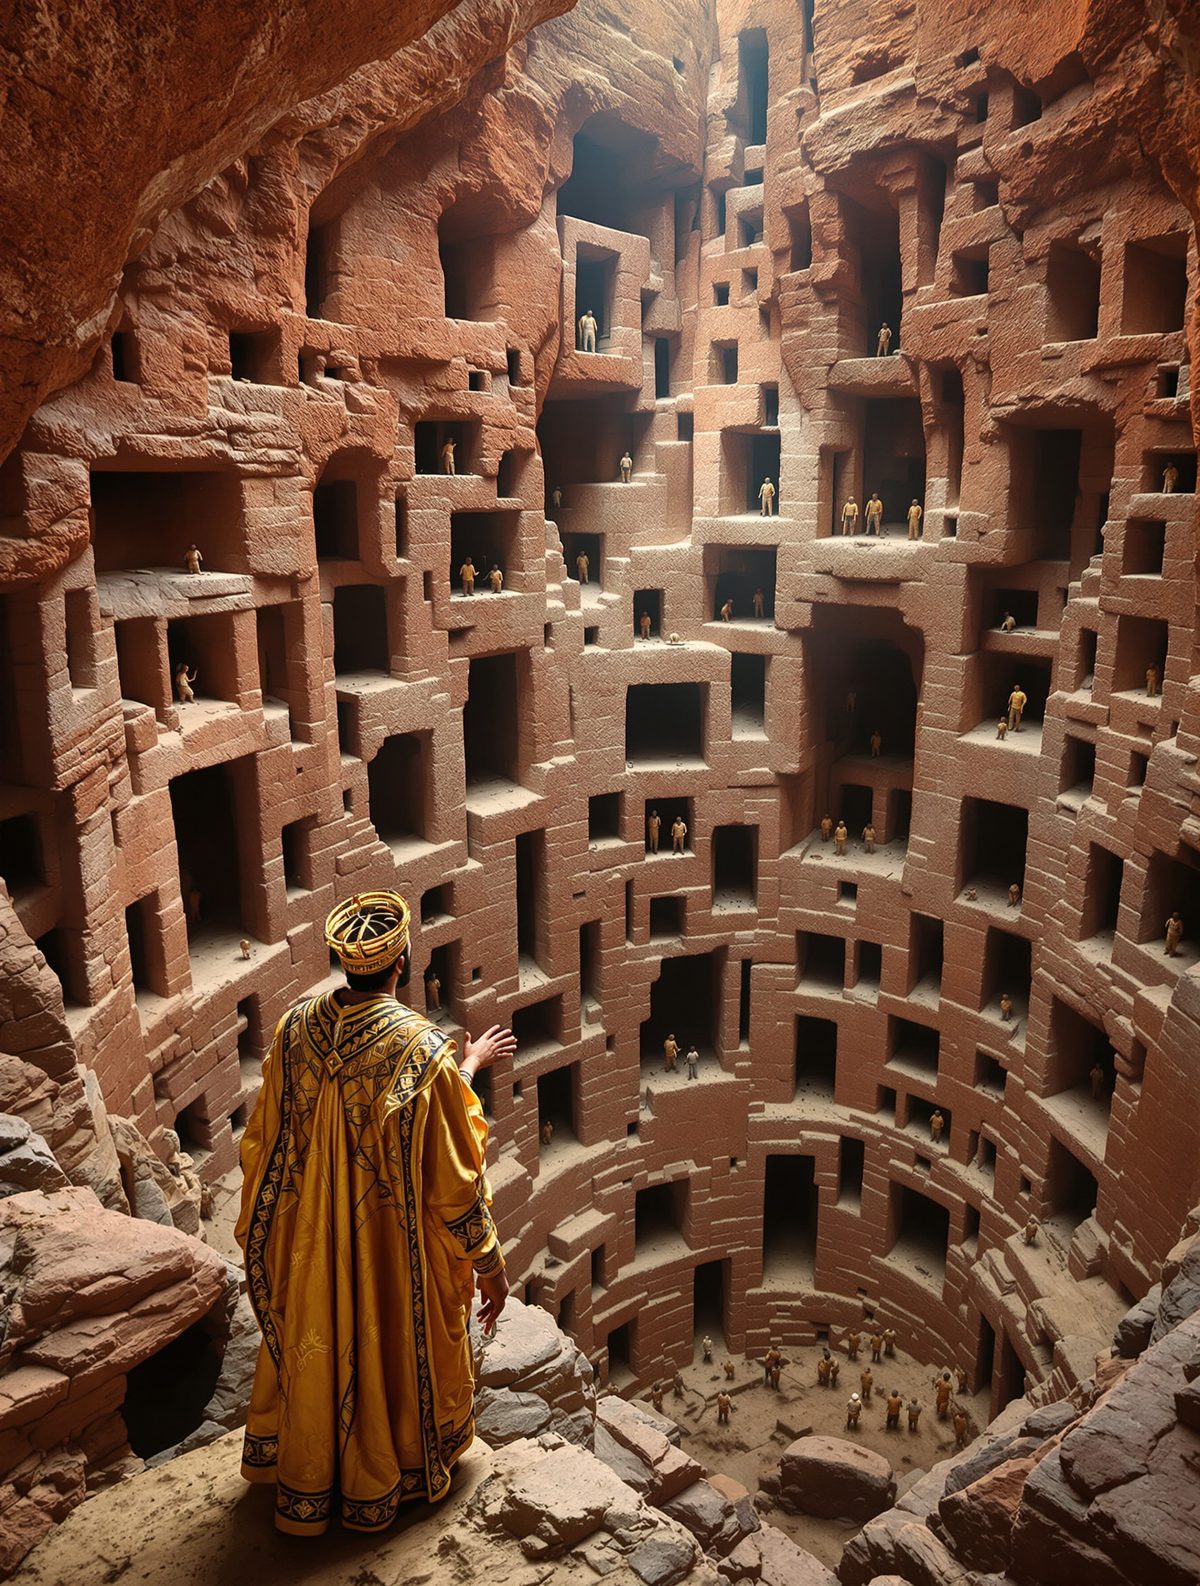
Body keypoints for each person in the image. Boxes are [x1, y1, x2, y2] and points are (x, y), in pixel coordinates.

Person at [236, 890, 515, 1535]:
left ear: (340, 961)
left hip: (312, 1240)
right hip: (386, 1249)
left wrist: (463, 1063)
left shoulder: (296, 1024)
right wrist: (491, 1269)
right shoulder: (420, 1051)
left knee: (318, 1343)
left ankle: (311, 1476)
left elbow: (265, 1139)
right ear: (403, 963)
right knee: (387, 1343)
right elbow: (452, 1179)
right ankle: (390, 1476)